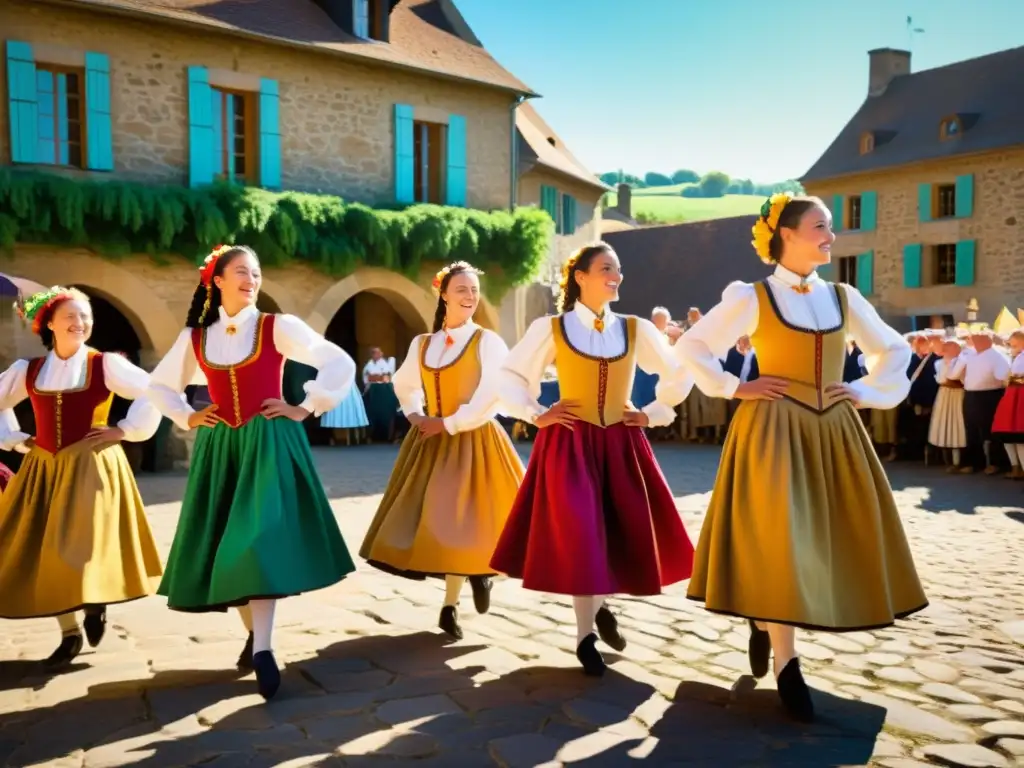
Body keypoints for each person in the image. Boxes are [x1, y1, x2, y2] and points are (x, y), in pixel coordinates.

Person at [677, 194, 927, 722]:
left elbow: (895, 350)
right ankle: (788, 663)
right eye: (821, 226)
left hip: (833, 431)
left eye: (830, 228)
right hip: (772, 428)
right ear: (785, 235)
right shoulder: (753, 296)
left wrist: (864, 390)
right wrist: (734, 386)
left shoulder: (844, 296)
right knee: (780, 537)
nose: (830, 237)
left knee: (828, 537)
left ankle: (764, 618)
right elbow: (693, 346)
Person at [142, 245, 357, 700]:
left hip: (270, 443)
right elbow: (159, 385)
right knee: (228, 543)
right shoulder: (196, 337)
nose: (251, 279)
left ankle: (262, 649)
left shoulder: (278, 326)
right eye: (241, 272)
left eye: (256, 273)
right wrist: (187, 415)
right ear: (216, 280)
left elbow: (337, 361)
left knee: (255, 540)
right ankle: (255, 639)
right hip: (221, 449)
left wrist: (306, 405)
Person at [491, 242, 696, 677]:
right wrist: (536, 414)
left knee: (617, 531)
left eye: (618, 269)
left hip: (622, 444)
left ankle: (600, 607)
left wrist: (653, 413)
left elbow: (678, 371)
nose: (616, 276)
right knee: (582, 532)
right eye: (606, 268)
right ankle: (585, 636)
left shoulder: (636, 328)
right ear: (580, 277)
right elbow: (508, 374)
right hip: (569, 444)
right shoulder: (552, 328)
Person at [0, 287, 163, 668]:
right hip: (45, 467)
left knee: (82, 544)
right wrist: (14, 439)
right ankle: (69, 633)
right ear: (50, 324)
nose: (80, 323)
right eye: (71, 316)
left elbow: (154, 391)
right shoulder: (29, 370)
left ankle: (95, 600)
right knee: (46, 550)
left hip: (92, 464)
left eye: (85, 317)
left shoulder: (105, 364)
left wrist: (124, 429)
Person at [361, 262, 524, 639]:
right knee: (441, 521)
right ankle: (453, 602)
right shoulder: (423, 344)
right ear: (444, 294)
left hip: (475, 438)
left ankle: (476, 578)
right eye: (462, 289)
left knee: (475, 519)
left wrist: (449, 423)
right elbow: (405, 385)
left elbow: (491, 393)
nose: (470, 296)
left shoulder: (488, 341)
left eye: (473, 289)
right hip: (431, 442)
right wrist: (417, 415)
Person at [928, 338, 967, 472]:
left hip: (957, 395)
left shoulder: (963, 361)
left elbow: (957, 379)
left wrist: (952, 381)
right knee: (944, 423)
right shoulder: (939, 363)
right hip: (945, 394)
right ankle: (947, 459)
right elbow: (942, 379)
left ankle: (959, 461)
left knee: (957, 424)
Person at [992, 329, 1024, 477]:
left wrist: (1012, 379)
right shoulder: (1016, 357)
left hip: (1019, 396)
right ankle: (1016, 467)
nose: (1011, 347)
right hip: (1013, 396)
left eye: (1014, 344)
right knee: (1010, 433)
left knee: (1019, 434)